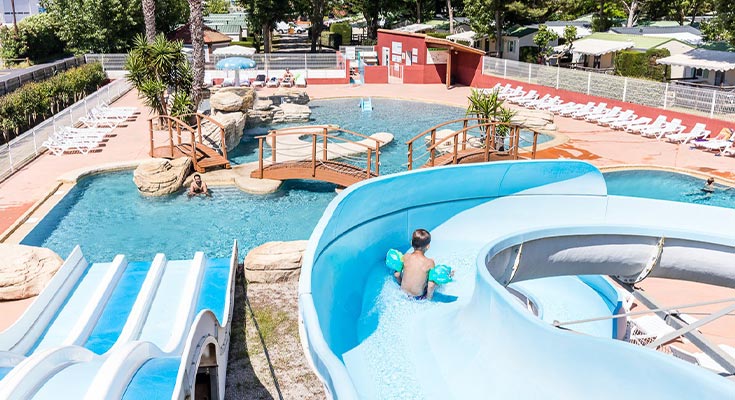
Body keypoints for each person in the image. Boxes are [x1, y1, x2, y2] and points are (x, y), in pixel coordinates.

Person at [394, 229, 437, 300]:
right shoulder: (430, 262)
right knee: (437, 281)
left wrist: (401, 283)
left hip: (402, 293)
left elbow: (397, 275)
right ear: (428, 246)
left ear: (411, 243)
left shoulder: (405, 256)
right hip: (418, 298)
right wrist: (429, 298)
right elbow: (431, 285)